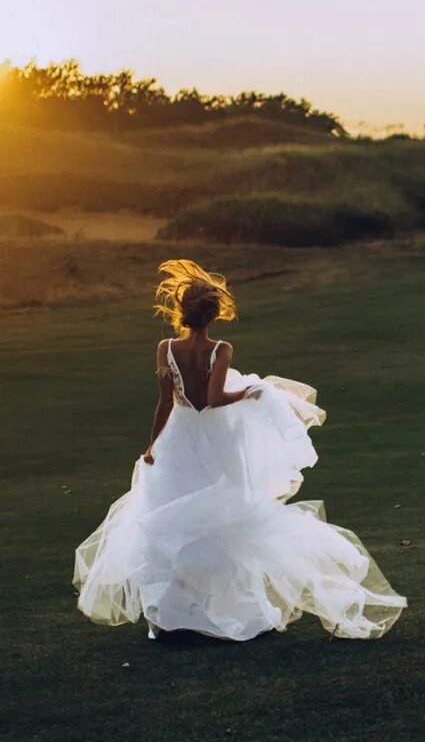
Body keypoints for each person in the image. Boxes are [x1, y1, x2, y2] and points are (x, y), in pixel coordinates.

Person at [74, 259, 406, 641]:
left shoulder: (165, 348)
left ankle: (174, 615)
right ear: (212, 316)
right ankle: (225, 609)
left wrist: (152, 445)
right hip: (217, 439)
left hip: (179, 437)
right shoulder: (221, 350)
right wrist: (247, 392)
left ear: (183, 314)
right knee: (227, 518)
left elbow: (166, 402)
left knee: (173, 519)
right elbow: (214, 399)